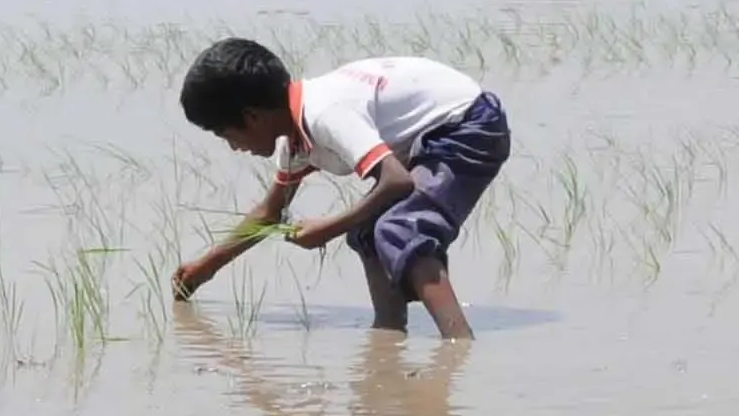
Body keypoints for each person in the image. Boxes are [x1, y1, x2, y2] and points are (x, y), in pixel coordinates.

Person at [172, 39, 512, 340]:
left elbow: (396, 180)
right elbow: (269, 213)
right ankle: (388, 332)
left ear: (252, 117)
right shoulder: (296, 138)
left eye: (226, 135)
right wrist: (206, 267)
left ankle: (458, 343)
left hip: (468, 124)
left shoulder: (325, 114)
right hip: (431, 134)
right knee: (366, 231)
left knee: (401, 227)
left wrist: (328, 228)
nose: (233, 147)